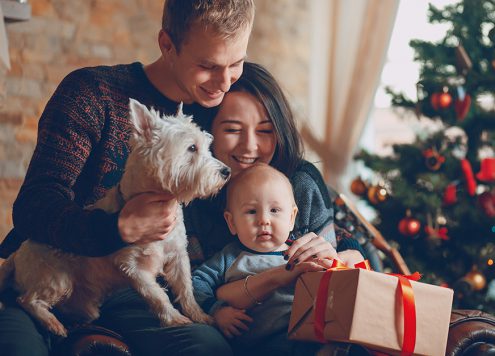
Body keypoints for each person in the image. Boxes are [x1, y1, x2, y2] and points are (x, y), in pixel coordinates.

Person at [0, 1, 255, 356]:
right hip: (55, 264)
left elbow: (275, 155)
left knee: (207, 348)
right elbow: (33, 208)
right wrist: (116, 229)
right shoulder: (91, 94)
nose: (224, 82)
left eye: (236, 63)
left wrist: (323, 234)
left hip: (133, 290)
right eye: (207, 65)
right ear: (167, 44)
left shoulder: (223, 105)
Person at [183, 62, 366, 354]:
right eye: (232, 129)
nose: (249, 146)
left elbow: (341, 251)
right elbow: (191, 286)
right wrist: (217, 309)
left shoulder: (299, 181)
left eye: (265, 131)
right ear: (207, 132)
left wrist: (341, 253)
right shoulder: (189, 194)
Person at [192, 163, 326, 355]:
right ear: (232, 222)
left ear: (291, 217)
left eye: (274, 210)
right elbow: (196, 283)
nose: (264, 220)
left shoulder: (301, 252)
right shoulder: (229, 257)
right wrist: (216, 311)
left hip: (308, 341)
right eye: (251, 211)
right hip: (258, 347)